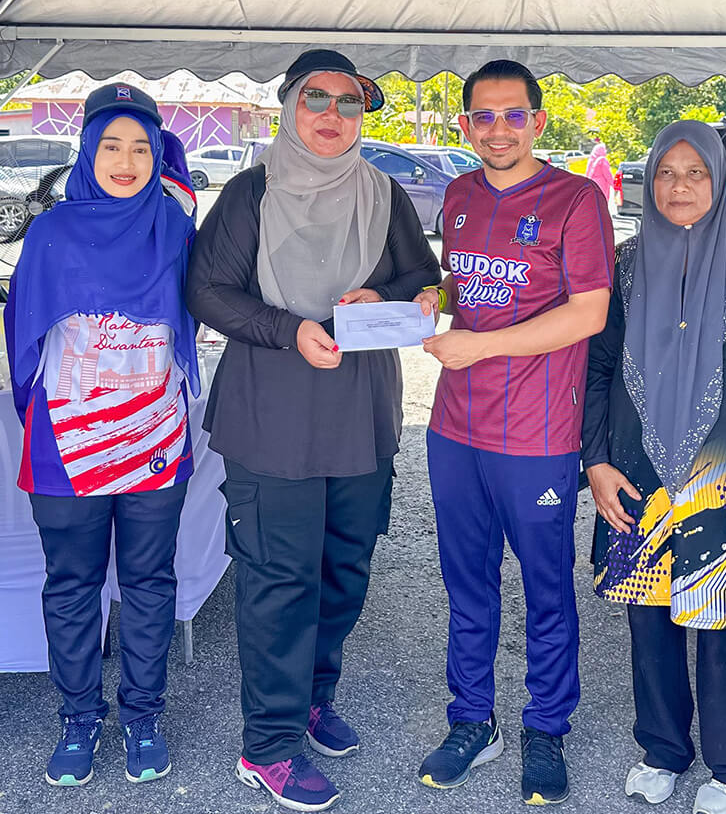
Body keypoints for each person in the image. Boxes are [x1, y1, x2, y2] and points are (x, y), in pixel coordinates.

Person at [186, 49, 440, 813]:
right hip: (271, 416)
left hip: (361, 417)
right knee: (279, 581)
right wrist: (288, 328)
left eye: (348, 102)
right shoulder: (252, 192)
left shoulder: (382, 191)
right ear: (290, 107)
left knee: (342, 571)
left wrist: (383, 294)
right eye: (316, 99)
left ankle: (311, 699)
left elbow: (422, 278)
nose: (332, 115)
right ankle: (267, 747)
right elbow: (206, 290)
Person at [582, 120, 726, 814]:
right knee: (650, 620)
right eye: (666, 174)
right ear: (649, 182)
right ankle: (663, 750)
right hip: (636, 472)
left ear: (718, 179)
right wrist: (596, 461)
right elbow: (598, 367)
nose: (679, 187)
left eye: (695, 173)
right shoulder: (625, 263)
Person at [414, 58, 614, 806]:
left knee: (545, 590)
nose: (498, 129)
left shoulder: (576, 199)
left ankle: (546, 726)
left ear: (538, 120)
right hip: (454, 427)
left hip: (537, 433)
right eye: (483, 116)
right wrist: (420, 298)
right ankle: (472, 720)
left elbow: (589, 312)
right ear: (465, 124)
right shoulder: (460, 194)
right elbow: (461, 288)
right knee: (467, 584)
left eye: (513, 115)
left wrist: (483, 347)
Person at [4, 83, 200, 788]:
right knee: (72, 584)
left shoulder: (175, 227)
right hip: (67, 443)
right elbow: (23, 335)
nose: (126, 161)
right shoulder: (51, 233)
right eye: (111, 146)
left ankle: (143, 716)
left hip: (154, 437)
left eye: (141, 148)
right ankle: (79, 718)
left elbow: (202, 306)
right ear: (87, 151)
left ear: (158, 156)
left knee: (149, 582)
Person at [585, 133, 615, 212]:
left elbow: (587, 173)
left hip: (592, 183)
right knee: (601, 204)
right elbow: (608, 175)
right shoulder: (602, 160)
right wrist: (614, 185)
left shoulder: (591, 160)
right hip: (602, 184)